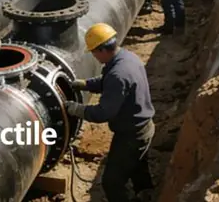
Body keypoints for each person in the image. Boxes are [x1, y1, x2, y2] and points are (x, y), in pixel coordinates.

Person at [65, 23, 155, 202]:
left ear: (102, 50)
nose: (94, 56)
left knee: (111, 182)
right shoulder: (126, 57)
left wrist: (75, 109)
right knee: (138, 165)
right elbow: (108, 81)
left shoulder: (118, 74)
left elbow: (102, 113)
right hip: (143, 127)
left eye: (93, 52)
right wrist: (86, 84)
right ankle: (146, 193)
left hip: (131, 135)